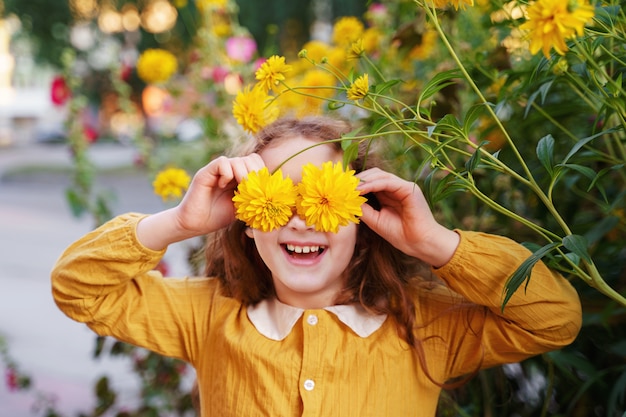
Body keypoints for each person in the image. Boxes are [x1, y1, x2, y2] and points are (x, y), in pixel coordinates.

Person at [51, 116, 582, 417]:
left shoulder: (424, 324)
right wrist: (180, 222)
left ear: (366, 217)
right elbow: (79, 288)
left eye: (324, 201)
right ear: (249, 220)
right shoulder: (210, 316)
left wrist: (437, 244)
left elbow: (555, 317)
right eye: (280, 201)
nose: (303, 222)